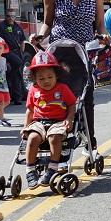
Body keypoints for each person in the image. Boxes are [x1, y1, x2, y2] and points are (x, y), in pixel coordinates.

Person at [30, 0, 110, 153]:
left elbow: (99, 22)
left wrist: (104, 35)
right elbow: (48, 23)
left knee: (86, 97)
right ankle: (59, 136)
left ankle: (89, 141)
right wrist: (39, 36)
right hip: (60, 53)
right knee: (58, 95)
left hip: (85, 52)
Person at [21, 51, 77, 189]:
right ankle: (30, 170)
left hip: (58, 122)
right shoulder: (33, 90)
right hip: (39, 121)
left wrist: (69, 119)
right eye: (41, 78)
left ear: (56, 75)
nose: (46, 81)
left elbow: (71, 105)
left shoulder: (62, 88)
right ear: (34, 78)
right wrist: (25, 126)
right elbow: (30, 110)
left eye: (49, 77)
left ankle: (52, 167)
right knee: (32, 138)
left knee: (54, 138)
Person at [0, 10, 26, 104]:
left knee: (16, 75)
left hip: (17, 53)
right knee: (13, 73)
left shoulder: (17, 27)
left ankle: (17, 97)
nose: (10, 18)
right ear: (5, 16)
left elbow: (22, 41)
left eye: (13, 16)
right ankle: (12, 98)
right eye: (8, 16)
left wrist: (21, 52)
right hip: (5, 53)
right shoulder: (0, 26)